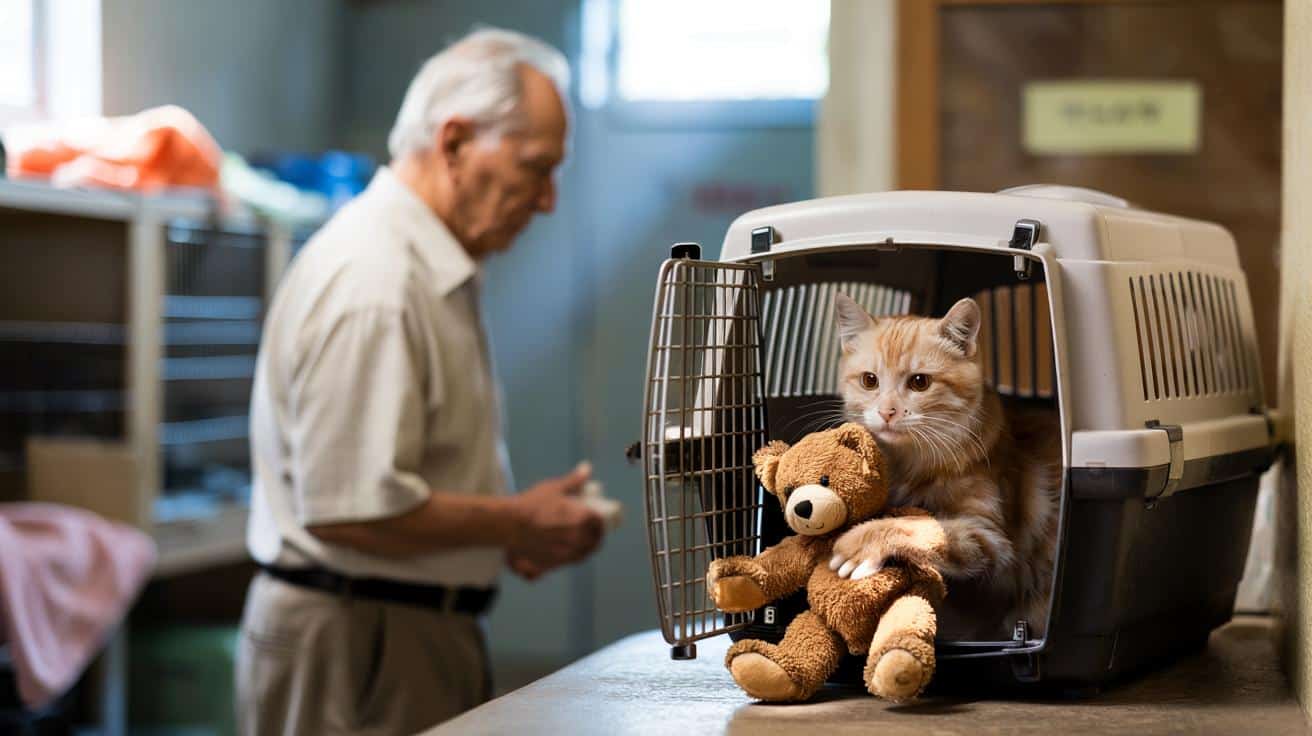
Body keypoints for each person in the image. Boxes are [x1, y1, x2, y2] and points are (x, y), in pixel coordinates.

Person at [235, 28, 603, 736]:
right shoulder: (377, 279)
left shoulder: (429, 267)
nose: (548, 200)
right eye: (535, 167)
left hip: (392, 627)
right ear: (455, 142)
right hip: (358, 640)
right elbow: (349, 508)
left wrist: (504, 534)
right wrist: (516, 520)